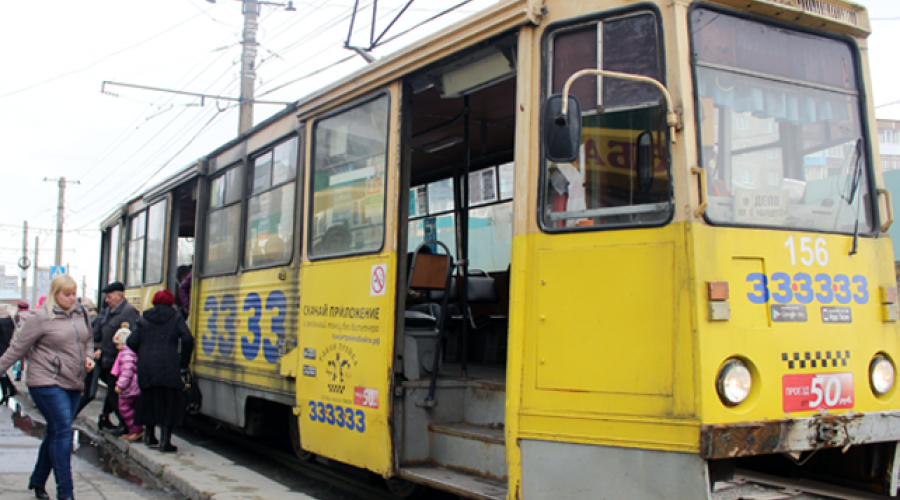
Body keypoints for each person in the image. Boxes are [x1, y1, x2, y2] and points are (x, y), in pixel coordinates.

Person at [0, 275, 94, 500]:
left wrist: (89, 357)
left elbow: (88, 340)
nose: (72, 298)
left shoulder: (81, 314)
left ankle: (37, 481)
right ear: (55, 294)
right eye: (67, 294)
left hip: (73, 381)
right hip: (45, 381)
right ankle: (66, 493)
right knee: (63, 431)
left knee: (55, 431)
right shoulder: (40, 317)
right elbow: (17, 348)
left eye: (74, 294)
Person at [128, 290, 193, 452]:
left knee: (149, 398)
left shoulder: (144, 318)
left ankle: (150, 436)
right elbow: (187, 339)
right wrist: (183, 362)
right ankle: (165, 441)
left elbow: (131, 341)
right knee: (168, 402)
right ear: (171, 302)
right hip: (169, 365)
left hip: (147, 365)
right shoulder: (176, 317)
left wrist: (143, 352)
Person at [94, 282, 140, 434]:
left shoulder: (129, 312)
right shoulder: (109, 311)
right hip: (107, 359)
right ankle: (107, 418)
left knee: (118, 395)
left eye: (109, 296)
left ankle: (125, 425)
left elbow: (134, 336)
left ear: (120, 295)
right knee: (112, 393)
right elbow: (104, 334)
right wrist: (99, 349)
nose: (107, 300)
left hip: (120, 361)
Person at [111, 323, 142, 442]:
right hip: (135, 387)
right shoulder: (131, 352)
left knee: (124, 408)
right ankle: (133, 430)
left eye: (117, 344)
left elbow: (126, 371)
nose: (116, 347)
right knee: (133, 407)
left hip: (129, 388)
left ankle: (136, 429)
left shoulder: (126, 354)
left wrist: (120, 385)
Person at [0, 306, 18, 405]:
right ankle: (10, 388)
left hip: (0, 347)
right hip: (6, 346)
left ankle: (6, 392)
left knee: (1, 370)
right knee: (3, 370)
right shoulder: (10, 320)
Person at [13, 301, 33, 381]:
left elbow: (15, 327)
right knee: (30, 359)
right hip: (31, 338)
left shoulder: (16, 315)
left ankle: (18, 375)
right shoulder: (32, 314)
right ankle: (31, 375)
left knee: (19, 358)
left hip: (20, 338)